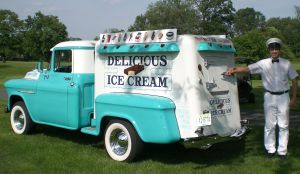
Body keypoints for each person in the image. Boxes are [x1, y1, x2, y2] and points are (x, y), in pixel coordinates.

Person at [226, 38, 298, 160]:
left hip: (284, 97)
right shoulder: (263, 63)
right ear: (269, 50)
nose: (274, 51)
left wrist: (294, 97)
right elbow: (247, 69)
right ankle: (270, 149)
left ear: (279, 50)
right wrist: (233, 70)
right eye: (272, 49)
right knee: (269, 125)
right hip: (269, 97)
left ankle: (282, 151)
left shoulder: (287, 63)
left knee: (284, 125)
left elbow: (294, 80)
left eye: (276, 48)